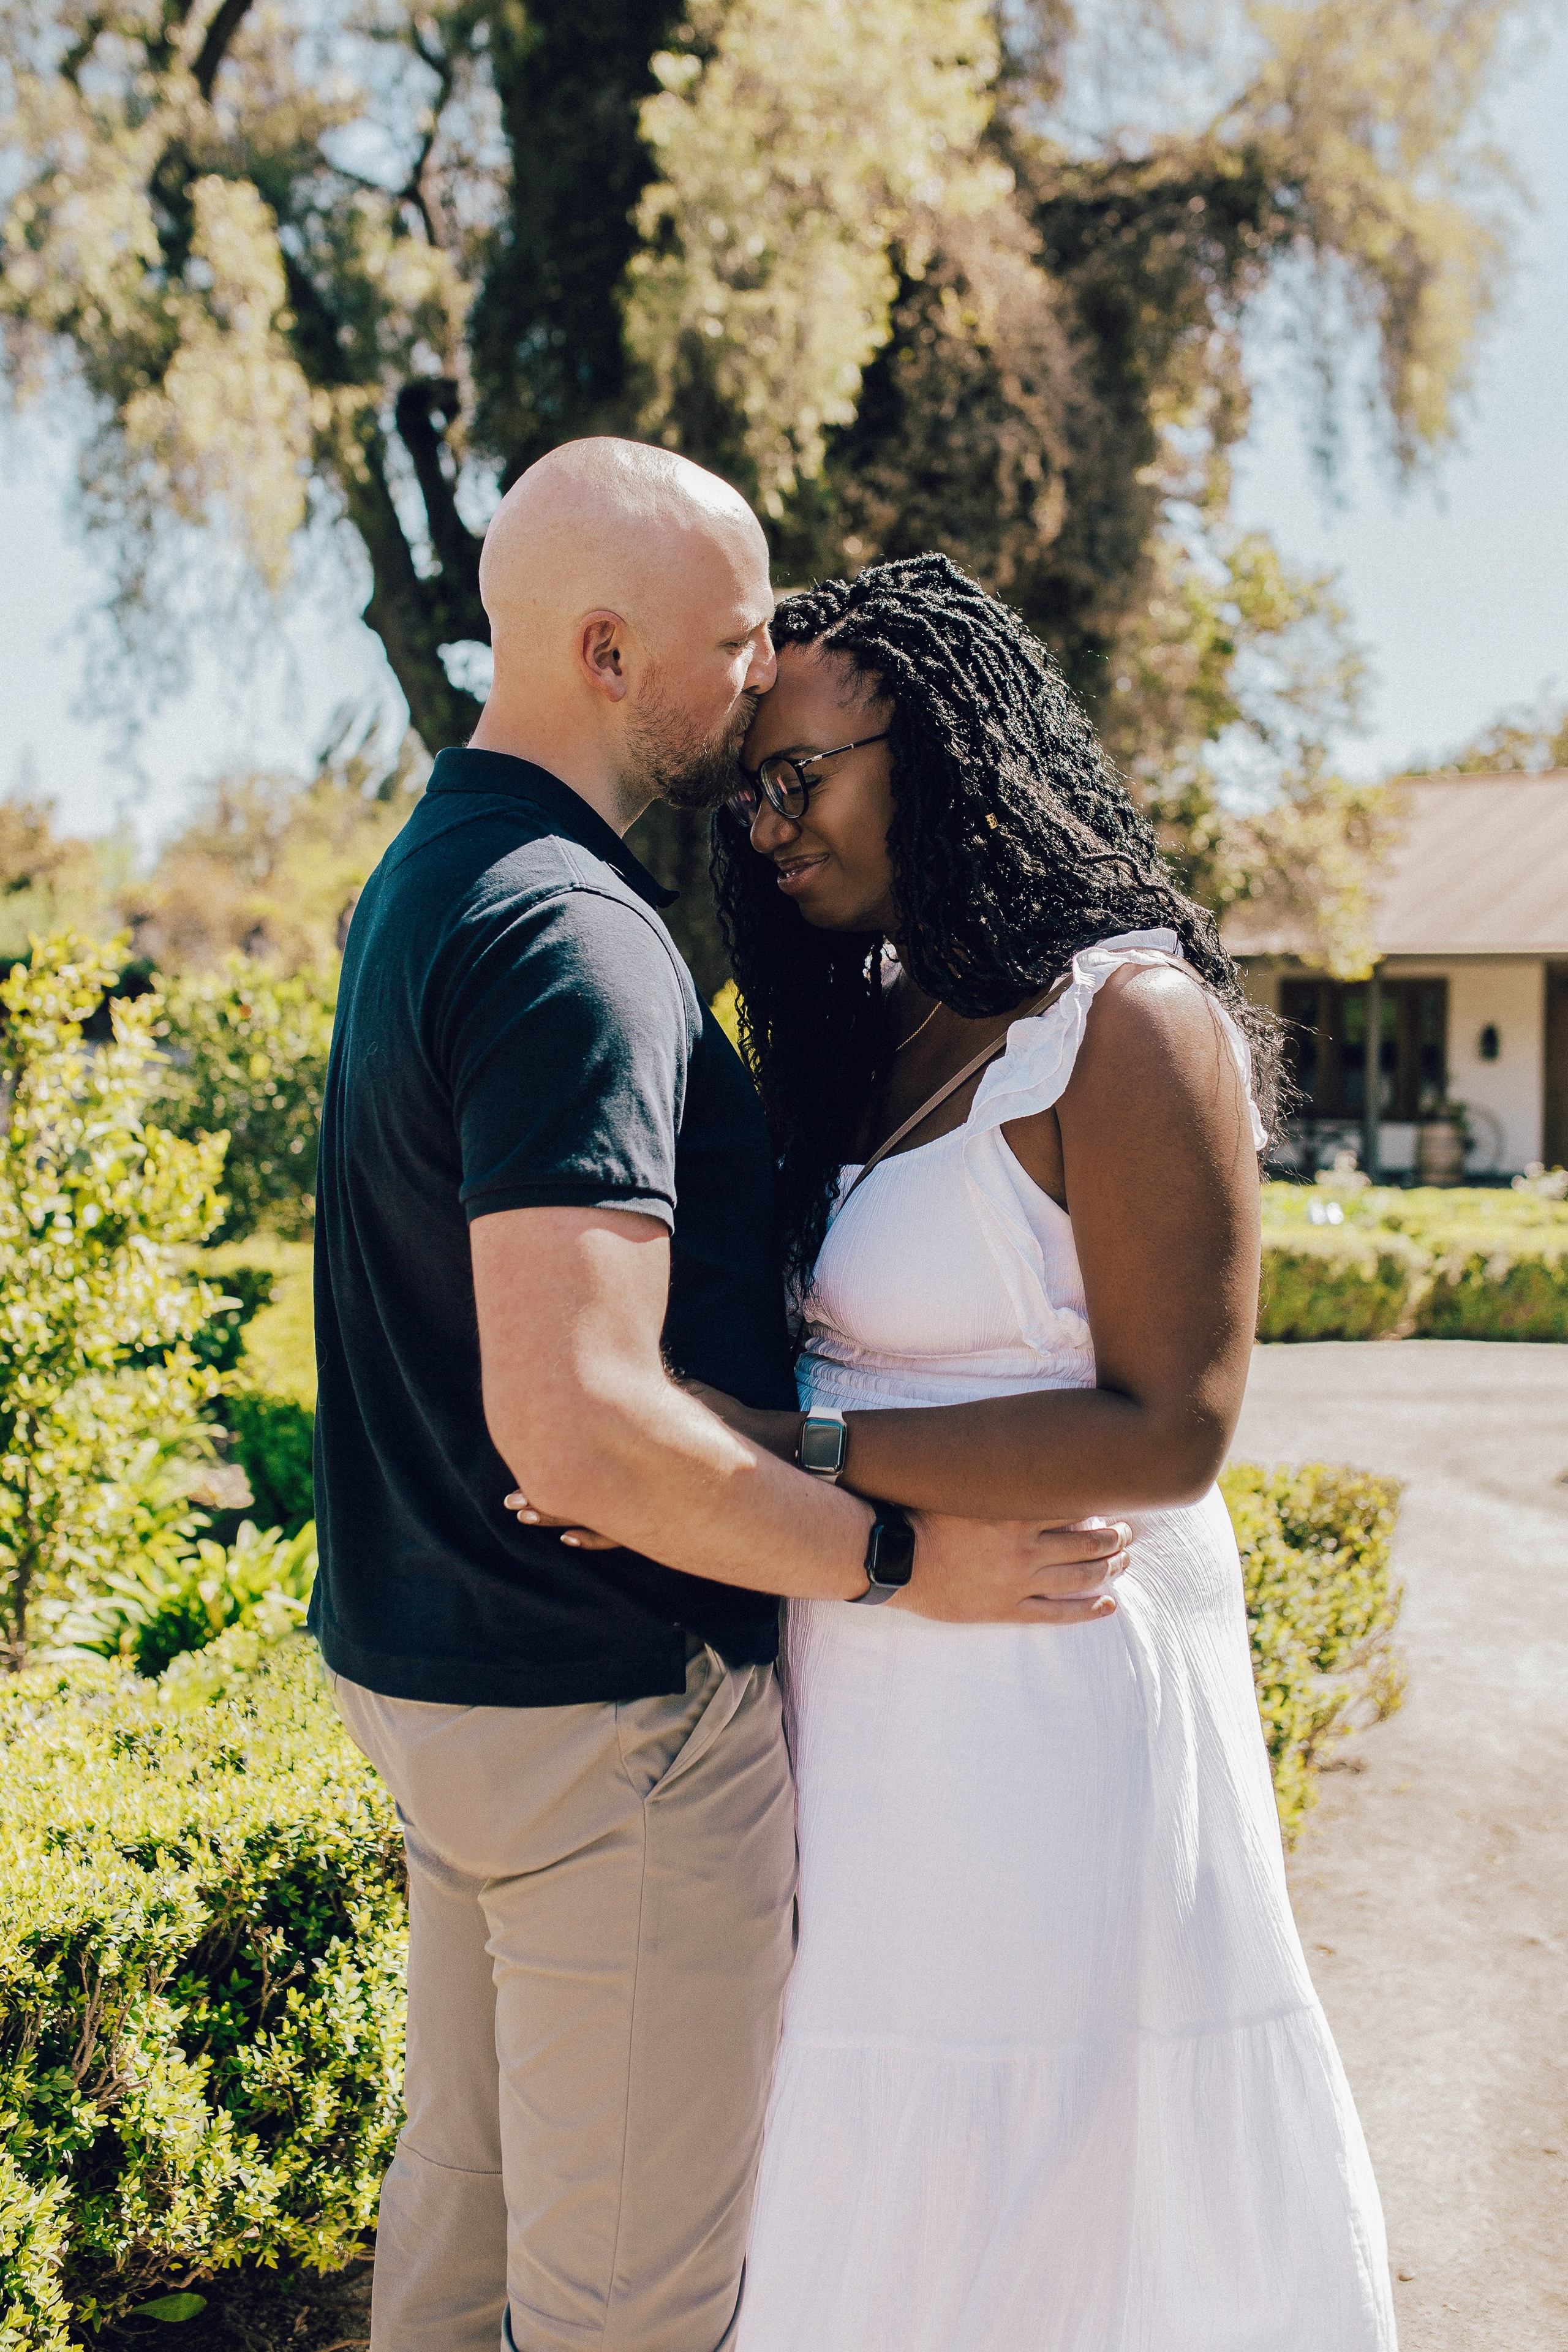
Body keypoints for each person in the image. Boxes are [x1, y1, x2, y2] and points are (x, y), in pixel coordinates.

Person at [310, 443, 1128, 2352]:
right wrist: (899, 1554)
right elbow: (581, 1423)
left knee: (461, 2246)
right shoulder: (574, 938)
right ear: (608, 651)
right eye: (735, 635)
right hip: (607, 1729)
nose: (764, 673)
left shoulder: (430, 880)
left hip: (447, 1695)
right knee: (627, 2315)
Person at [680, 553, 1397, 2350]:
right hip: (879, 1706)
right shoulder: (880, 1020)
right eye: (748, 789)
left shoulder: (1126, 1023)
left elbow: (1178, 1425)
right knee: (880, 2171)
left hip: (1061, 1702)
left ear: (939, 751)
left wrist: (806, 1451)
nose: (767, 826)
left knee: (1067, 2188)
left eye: (801, 776)